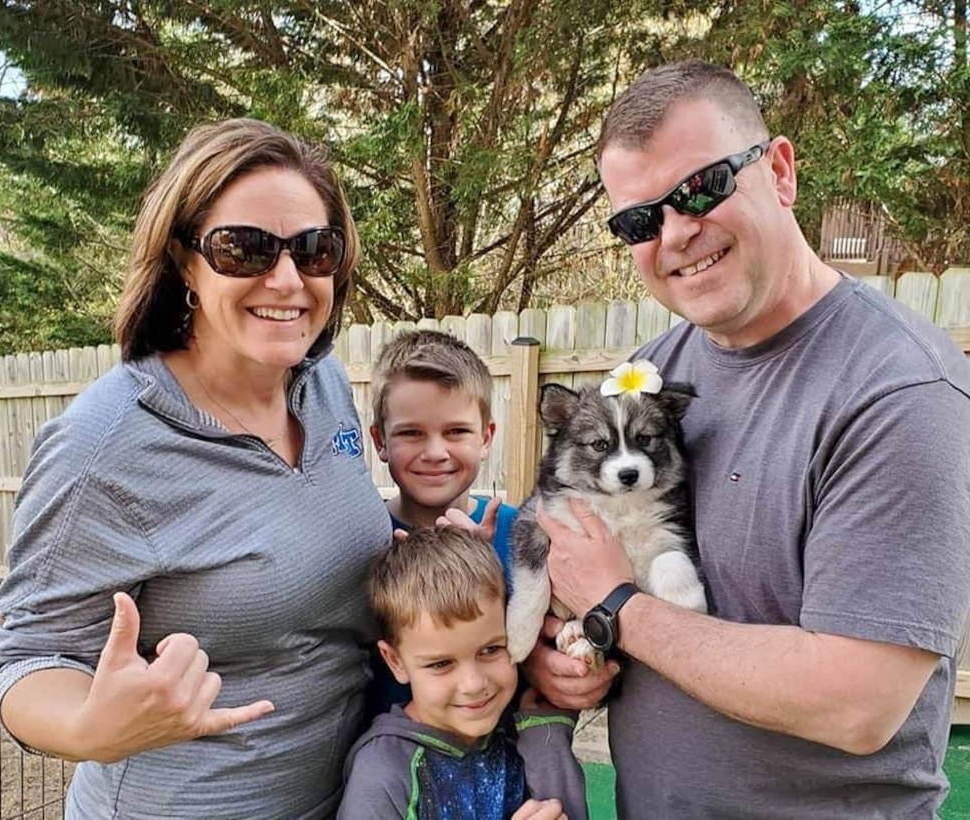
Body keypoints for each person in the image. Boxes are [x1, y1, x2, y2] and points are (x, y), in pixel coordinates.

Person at [538, 60, 970, 818]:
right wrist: (568, 653)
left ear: (778, 171)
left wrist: (618, 609)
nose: (675, 233)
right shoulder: (646, 379)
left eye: (701, 188)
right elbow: (578, 570)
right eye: (639, 220)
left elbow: (855, 703)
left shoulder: (896, 390)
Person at [0, 118, 392, 818]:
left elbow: (312, 547)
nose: (288, 279)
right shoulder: (103, 445)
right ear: (182, 260)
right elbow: (28, 659)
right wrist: (89, 727)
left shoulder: (323, 387)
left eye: (313, 248)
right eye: (245, 249)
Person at [338, 527, 587, 820]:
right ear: (395, 661)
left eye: (492, 649)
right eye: (441, 664)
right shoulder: (382, 772)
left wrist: (548, 740)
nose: (473, 684)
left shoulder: (522, 734)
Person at [369, 328, 517, 565]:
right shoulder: (363, 542)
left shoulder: (524, 535)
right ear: (380, 441)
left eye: (456, 431)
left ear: (486, 439)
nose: (435, 453)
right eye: (411, 433)